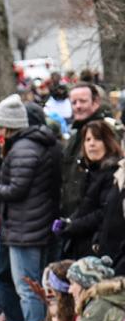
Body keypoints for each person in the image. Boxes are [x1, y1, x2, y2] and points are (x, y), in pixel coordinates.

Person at [0, 94, 62, 321]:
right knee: (34, 286)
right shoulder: (36, 145)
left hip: (25, 227)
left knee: (27, 288)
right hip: (34, 224)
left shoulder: (23, 148)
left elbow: (18, 190)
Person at [55, 119, 121, 258]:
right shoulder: (90, 171)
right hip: (82, 243)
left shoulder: (113, 173)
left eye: (97, 139)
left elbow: (104, 212)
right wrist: (68, 222)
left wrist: (73, 226)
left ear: (108, 142)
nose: (91, 144)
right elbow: (85, 206)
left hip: (98, 246)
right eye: (88, 139)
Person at [60, 83, 109, 220]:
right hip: (73, 217)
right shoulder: (74, 137)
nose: (78, 106)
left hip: (95, 220)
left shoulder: (107, 133)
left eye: (83, 101)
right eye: (74, 102)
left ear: (95, 102)